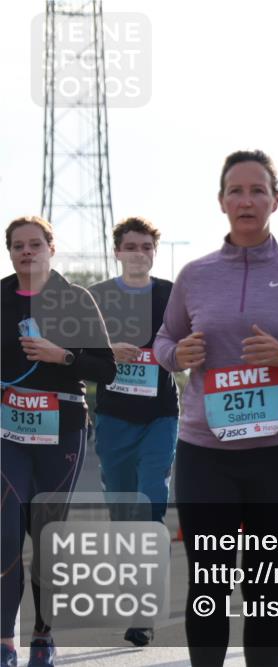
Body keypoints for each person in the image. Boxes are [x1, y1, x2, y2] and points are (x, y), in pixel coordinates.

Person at [153, 150, 278, 667]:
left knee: (265, 587)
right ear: (221, 201)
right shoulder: (194, 274)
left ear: (275, 200)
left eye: (257, 190)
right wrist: (180, 355)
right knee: (208, 583)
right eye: (236, 191)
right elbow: (163, 342)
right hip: (205, 451)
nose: (246, 200)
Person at [2, 216, 117, 667]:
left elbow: (105, 369)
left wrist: (61, 355)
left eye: (35, 244)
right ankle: (4, 640)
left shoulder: (74, 299)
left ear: (51, 247)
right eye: (17, 246)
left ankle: (43, 636)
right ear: (9, 251)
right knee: (6, 532)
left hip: (60, 430)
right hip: (6, 430)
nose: (26, 252)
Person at [88, 216, 179, 647]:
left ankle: (144, 611)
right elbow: (76, 352)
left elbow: (191, 344)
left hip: (161, 416)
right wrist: (107, 352)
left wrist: (171, 353)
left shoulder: (171, 294)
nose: (139, 253)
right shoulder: (97, 297)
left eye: (146, 246)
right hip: (113, 418)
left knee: (150, 507)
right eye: (131, 246)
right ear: (117, 251)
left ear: (153, 252)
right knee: (124, 512)